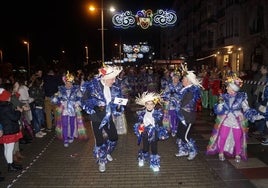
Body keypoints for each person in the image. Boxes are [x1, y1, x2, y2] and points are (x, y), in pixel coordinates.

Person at [206, 74, 264, 162]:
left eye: (229, 87)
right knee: (223, 136)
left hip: (237, 121)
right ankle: (221, 152)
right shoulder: (223, 97)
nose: (227, 89)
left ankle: (237, 154)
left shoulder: (241, 97)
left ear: (234, 89)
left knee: (237, 138)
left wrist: (256, 116)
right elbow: (218, 111)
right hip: (226, 120)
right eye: (228, 87)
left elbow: (246, 109)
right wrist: (220, 105)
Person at [81, 65, 125, 173]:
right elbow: (84, 101)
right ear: (104, 78)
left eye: (114, 78)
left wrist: (120, 106)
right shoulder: (92, 86)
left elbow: (119, 102)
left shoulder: (115, 88)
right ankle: (101, 160)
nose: (114, 81)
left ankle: (106, 152)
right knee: (99, 141)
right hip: (96, 117)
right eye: (112, 78)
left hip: (108, 116)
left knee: (114, 137)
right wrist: (95, 107)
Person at [133, 92, 168, 172]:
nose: (149, 106)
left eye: (151, 104)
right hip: (145, 134)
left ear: (154, 105)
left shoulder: (158, 114)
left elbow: (160, 124)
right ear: (145, 105)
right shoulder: (141, 114)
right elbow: (137, 124)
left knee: (154, 148)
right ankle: (142, 158)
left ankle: (154, 164)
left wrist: (162, 133)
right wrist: (140, 127)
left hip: (154, 134)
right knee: (145, 148)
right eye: (147, 104)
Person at [173, 64, 202, 160]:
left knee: (185, 136)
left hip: (187, 118)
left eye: (183, 79)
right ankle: (183, 151)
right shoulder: (185, 90)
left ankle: (193, 151)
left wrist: (175, 102)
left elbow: (186, 106)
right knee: (180, 135)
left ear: (188, 81)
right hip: (182, 117)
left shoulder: (191, 92)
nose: (182, 81)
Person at [51, 71, 87, 147]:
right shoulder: (61, 90)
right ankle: (65, 139)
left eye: (70, 83)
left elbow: (81, 98)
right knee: (64, 124)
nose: (68, 84)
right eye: (67, 83)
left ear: (72, 83)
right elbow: (54, 99)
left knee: (72, 124)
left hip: (73, 110)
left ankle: (71, 136)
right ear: (65, 83)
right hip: (64, 110)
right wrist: (59, 101)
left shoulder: (76, 90)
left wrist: (77, 103)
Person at [0, 88, 23, 172]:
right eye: (8, 96)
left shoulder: (2, 106)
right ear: (5, 98)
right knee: (9, 148)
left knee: (7, 148)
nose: (10, 97)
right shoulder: (6, 107)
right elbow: (14, 117)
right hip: (9, 129)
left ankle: (10, 163)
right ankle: (10, 165)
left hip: (6, 129)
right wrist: (19, 111)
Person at [161, 70, 183, 137]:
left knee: (177, 117)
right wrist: (169, 97)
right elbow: (165, 94)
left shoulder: (181, 85)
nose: (176, 79)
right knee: (171, 116)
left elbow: (182, 94)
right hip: (170, 104)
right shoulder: (169, 85)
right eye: (174, 77)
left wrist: (178, 97)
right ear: (172, 78)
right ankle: (172, 129)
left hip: (179, 104)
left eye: (177, 77)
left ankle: (176, 129)